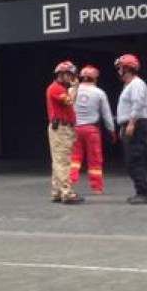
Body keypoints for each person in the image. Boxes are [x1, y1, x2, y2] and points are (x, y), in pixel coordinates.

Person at [69, 65, 116, 195]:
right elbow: (106, 114)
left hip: (74, 130)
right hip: (92, 131)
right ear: (95, 78)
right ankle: (96, 188)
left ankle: (69, 184)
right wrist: (111, 130)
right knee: (95, 158)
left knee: (74, 158)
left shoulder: (72, 90)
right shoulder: (99, 93)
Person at [45, 60, 84, 205]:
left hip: (62, 128)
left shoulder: (59, 88)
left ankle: (57, 192)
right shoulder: (56, 89)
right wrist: (75, 88)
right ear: (61, 74)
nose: (72, 78)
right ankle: (67, 193)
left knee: (58, 161)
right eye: (70, 75)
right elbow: (69, 101)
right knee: (63, 161)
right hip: (60, 128)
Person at [114, 53, 147, 205]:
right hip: (130, 125)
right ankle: (141, 191)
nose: (119, 71)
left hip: (136, 126)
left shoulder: (137, 84)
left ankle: (143, 193)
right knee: (131, 161)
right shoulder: (129, 85)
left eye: (120, 68)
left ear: (127, 69)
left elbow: (138, 104)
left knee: (134, 160)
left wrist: (131, 123)